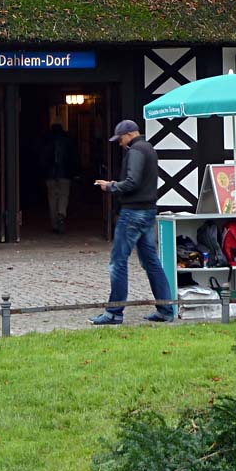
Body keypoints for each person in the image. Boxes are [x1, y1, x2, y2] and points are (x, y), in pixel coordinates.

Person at [90, 120, 175, 325]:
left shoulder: (136, 151)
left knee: (118, 262)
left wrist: (110, 186)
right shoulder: (150, 149)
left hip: (133, 213)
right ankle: (165, 309)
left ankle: (114, 312)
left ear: (129, 134)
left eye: (120, 139)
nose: (120, 143)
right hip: (148, 212)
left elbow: (132, 181)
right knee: (151, 263)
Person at [42, 123, 80, 233]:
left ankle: (54, 224)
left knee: (52, 198)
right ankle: (61, 215)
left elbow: (42, 157)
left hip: (50, 174)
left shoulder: (46, 139)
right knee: (63, 195)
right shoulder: (68, 139)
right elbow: (74, 157)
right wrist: (75, 172)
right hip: (65, 173)